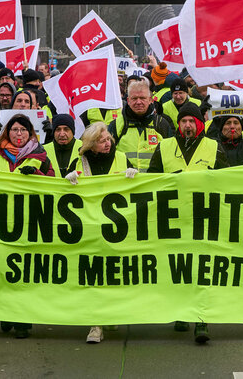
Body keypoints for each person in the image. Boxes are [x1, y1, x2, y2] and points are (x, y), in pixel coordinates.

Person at [64, 122, 137, 344]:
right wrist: (68, 181)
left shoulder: (122, 158)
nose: (107, 144)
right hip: (90, 227)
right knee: (94, 275)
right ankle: (96, 324)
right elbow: (65, 189)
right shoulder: (79, 161)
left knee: (114, 274)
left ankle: (111, 313)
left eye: (108, 140)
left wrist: (136, 176)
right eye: (101, 141)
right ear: (90, 145)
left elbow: (141, 188)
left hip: (117, 229)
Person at [0, 114, 54, 339]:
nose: (19, 134)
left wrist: (38, 173)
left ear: (30, 133)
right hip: (1, 223)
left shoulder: (41, 156)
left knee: (25, 274)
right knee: (4, 272)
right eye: (14, 130)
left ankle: (23, 321)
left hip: (29, 222)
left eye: (23, 130)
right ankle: (6, 313)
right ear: (7, 132)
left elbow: (55, 184)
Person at [109, 79, 175, 172]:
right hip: (125, 181)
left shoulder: (161, 124)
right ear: (128, 100)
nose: (138, 102)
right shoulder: (116, 125)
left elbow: (172, 155)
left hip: (153, 182)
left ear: (150, 100)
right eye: (134, 98)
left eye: (142, 98)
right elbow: (107, 155)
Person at [148, 102, 229, 174]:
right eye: (183, 121)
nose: (187, 125)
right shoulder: (163, 146)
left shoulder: (214, 147)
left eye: (191, 121)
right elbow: (152, 177)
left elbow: (225, 177)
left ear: (199, 123)